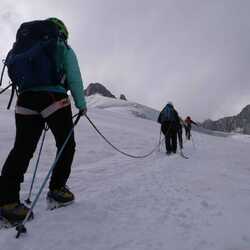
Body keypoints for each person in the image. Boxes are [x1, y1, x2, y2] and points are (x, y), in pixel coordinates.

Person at [0, 18, 87, 223]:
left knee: (22, 149)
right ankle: (57, 190)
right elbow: (74, 76)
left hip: (25, 99)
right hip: (53, 99)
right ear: (62, 31)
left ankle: (7, 202)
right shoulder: (61, 45)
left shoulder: (25, 44)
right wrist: (81, 105)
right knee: (66, 144)